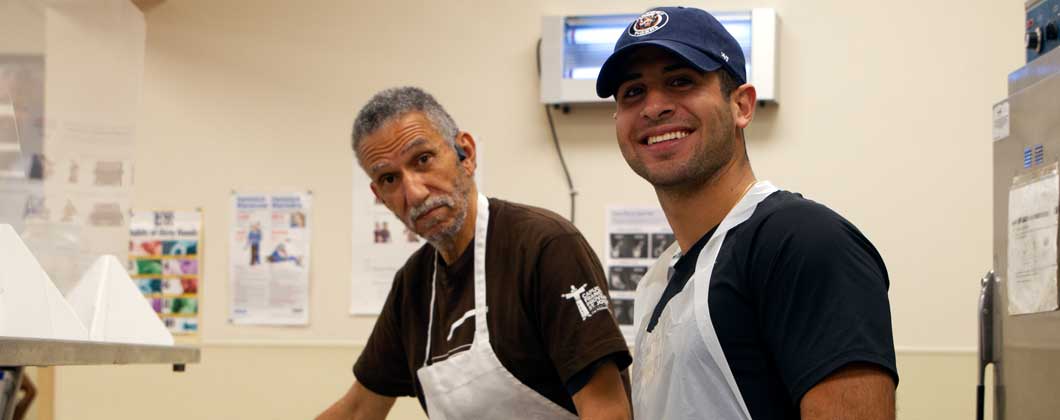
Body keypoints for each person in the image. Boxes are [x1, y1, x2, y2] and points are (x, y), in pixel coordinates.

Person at [595, 7, 899, 420]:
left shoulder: (802, 242)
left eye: (680, 81)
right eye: (633, 92)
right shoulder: (659, 279)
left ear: (742, 105)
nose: (654, 107)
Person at [316, 87, 632, 420]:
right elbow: (358, 410)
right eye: (389, 178)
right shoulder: (412, 286)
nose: (413, 192)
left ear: (465, 153)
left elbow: (607, 411)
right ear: (378, 194)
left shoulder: (544, 246)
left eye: (423, 160)